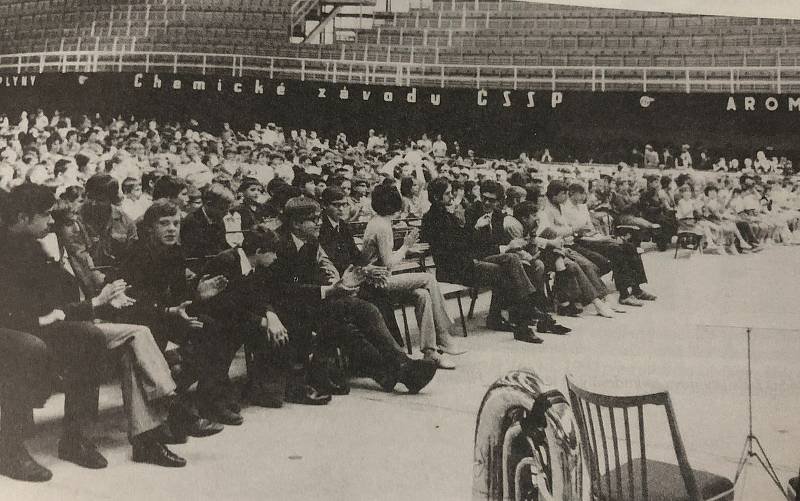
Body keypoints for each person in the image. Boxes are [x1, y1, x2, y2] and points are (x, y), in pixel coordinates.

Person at [0, 184, 186, 480]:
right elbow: (20, 310)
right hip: (20, 331)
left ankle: (134, 437)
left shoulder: (37, 245)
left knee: (115, 335)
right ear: (22, 217)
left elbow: (62, 301)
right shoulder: (10, 250)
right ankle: (10, 449)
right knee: (61, 343)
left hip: (53, 324)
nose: (52, 222)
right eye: (46, 215)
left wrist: (97, 302)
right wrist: (63, 313)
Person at [271, 196, 440, 398]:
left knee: (357, 315)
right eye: (314, 219)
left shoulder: (311, 240)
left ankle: (398, 371)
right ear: (296, 223)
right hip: (281, 310)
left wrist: (341, 283)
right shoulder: (277, 244)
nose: (319, 223)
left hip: (309, 301)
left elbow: (325, 267)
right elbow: (281, 290)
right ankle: (400, 368)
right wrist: (332, 289)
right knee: (353, 317)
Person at [120, 201, 233, 433]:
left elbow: (180, 296)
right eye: (164, 224)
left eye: (176, 223)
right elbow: (133, 303)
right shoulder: (136, 254)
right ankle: (175, 413)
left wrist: (198, 295)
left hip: (167, 316)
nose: (172, 228)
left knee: (214, 329)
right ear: (150, 228)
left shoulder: (175, 252)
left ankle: (206, 401)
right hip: (140, 320)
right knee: (162, 341)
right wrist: (170, 313)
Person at [422, 177, 549, 343]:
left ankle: (518, 319)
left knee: (512, 264)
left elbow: (464, 242)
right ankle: (526, 311)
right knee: (510, 264)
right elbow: (455, 246)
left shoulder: (449, 215)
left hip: (467, 263)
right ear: (437, 197)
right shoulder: (434, 218)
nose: (452, 197)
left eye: (492, 200)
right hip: (454, 269)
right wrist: (474, 227)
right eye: (447, 194)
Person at [362, 182, 465, 369]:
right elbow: (388, 263)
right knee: (428, 278)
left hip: (383, 279)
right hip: (377, 282)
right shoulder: (382, 226)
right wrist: (406, 245)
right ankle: (443, 334)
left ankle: (430, 352)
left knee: (423, 295)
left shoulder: (378, 222)